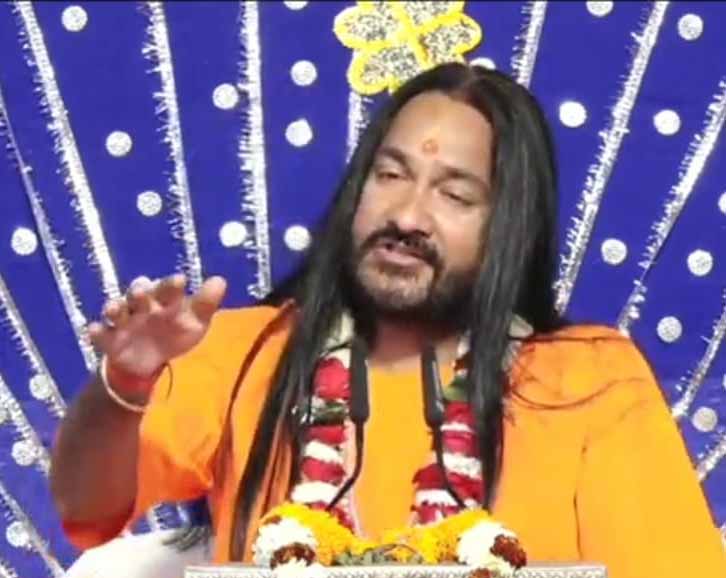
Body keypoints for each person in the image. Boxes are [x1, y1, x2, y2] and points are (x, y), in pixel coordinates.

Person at [50, 63, 725, 578]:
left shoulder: (589, 378)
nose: (407, 216)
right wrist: (125, 385)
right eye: (390, 175)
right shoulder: (251, 349)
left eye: (454, 194)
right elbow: (85, 508)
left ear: (509, 230)